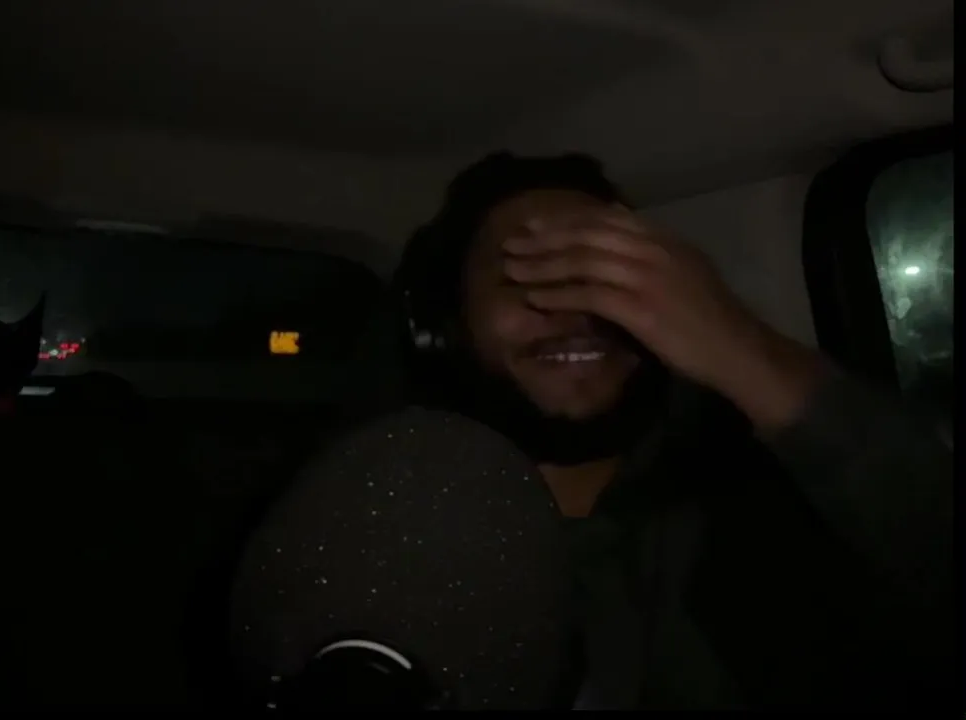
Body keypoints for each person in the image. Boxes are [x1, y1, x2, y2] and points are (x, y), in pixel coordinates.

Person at [396, 153, 953, 710]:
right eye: (526, 278)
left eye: (607, 278)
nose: (577, 312)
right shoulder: (403, 523)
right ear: (445, 325)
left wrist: (743, 348)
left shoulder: (754, 485)